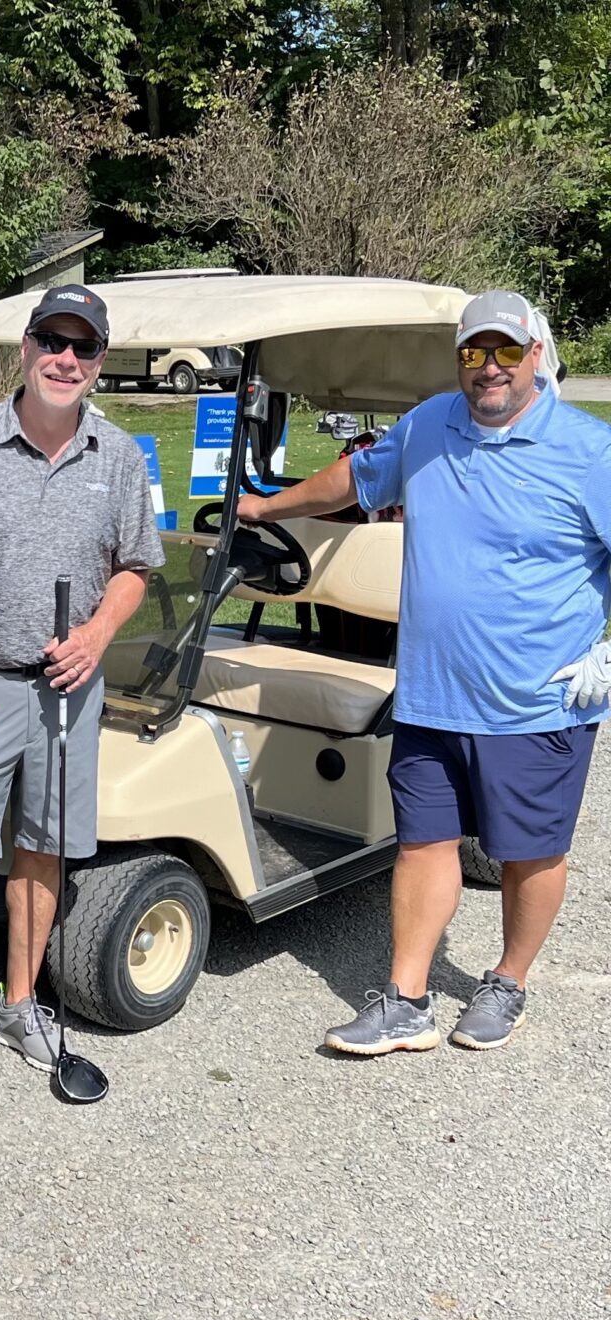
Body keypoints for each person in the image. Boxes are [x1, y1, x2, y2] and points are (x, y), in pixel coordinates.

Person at [237, 289, 611, 1054]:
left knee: (528, 851)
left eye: (507, 351)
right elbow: (352, 482)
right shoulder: (429, 424)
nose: (490, 368)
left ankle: (508, 980)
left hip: (536, 702)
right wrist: (266, 508)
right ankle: (407, 999)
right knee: (423, 842)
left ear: (536, 356)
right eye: (476, 352)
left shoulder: (590, 453)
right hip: (434, 694)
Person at [0, 284, 165, 1105]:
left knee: (42, 849)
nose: (65, 358)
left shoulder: (118, 456)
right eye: (51, 341)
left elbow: (135, 567)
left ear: (98, 363)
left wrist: (94, 636)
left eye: (82, 347)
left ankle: (20, 1004)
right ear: (25, 348)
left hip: (68, 687)